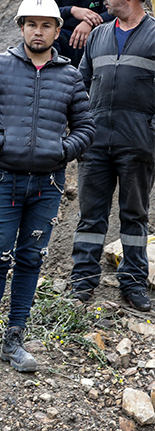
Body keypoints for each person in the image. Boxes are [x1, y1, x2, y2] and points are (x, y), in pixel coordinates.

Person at [0, 0, 95, 372]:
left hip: (48, 184)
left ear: (57, 30)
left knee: (30, 258)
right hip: (3, 180)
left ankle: (15, 341)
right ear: (21, 27)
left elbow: (86, 126)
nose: (38, 31)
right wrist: (1, 145)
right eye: (31, 24)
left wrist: (61, 150)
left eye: (46, 25)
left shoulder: (69, 76)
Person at [70, 0, 155, 312]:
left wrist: (151, 132)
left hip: (137, 143)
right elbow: (81, 83)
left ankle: (133, 281)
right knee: (90, 214)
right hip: (95, 142)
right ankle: (83, 279)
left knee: (134, 215)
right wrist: (81, 125)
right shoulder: (98, 35)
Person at [56, 0, 113, 67]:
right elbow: (44, 11)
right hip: (63, 32)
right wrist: (71, 10)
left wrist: (89, 23)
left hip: (96, 33)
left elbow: (114, 10)